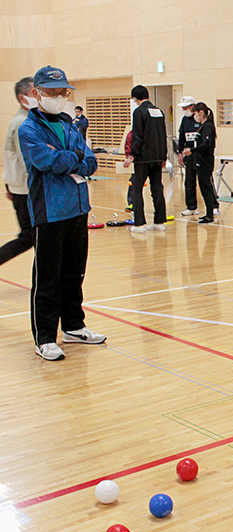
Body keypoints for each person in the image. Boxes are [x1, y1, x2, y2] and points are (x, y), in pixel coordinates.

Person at [18, 65, 105, 360]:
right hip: (50, 211)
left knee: (73, 273)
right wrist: (74, 159)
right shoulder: (29, 129)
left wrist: (74, 159)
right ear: (37, 94)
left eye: (63, 92)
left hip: (78, 208)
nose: (59, 97)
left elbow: (90, 161)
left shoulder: (70, 125)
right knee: (48, 277)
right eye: (52, 92)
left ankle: (73, 326)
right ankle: (44, 336)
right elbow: (47, 161)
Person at [122, 85, 167, 234]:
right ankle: (160, 221)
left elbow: (137, 135)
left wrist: (131, 156)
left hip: (143, 158)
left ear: (135, 98)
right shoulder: (159, 112)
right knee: (157, 188)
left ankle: (140, 223)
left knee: (137, 188)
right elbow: (163, 135)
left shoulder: (139, 112)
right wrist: (164, 156)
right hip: (158, 156)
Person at [0, 77, 36, 266]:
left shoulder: (21, 121)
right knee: (29, 237)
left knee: (34, 237)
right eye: (34, 93)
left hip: (19, 188)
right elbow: (25, 161)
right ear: (23, 98)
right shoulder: (22, 123)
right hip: (26, 190)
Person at [182, 102, 217, 224]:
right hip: (200, 160)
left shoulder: (207, 127)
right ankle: (208, 213)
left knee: (206, 187)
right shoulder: (203, 126)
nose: (194, 116)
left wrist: (192, 150)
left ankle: (210, 214)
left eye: (195, 113)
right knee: (203, 187)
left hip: (205, 161)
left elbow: (207, 144)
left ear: (201, 112)